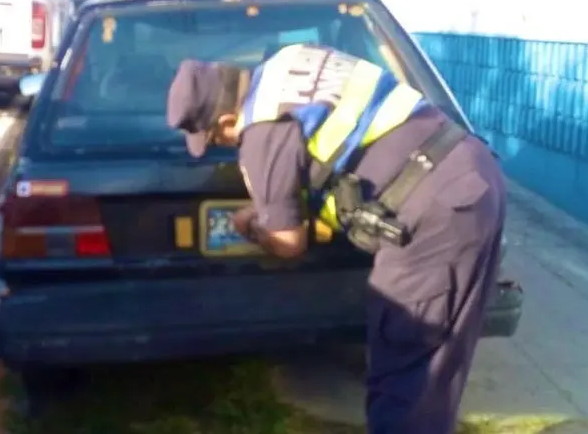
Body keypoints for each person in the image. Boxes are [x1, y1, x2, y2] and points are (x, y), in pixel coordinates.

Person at [166, 44, 506, 434]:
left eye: (215, 138)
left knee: (407, 371)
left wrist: (252, 224)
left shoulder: (262, 131)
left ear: (227, 118)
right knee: (435, 365)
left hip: (437, 213)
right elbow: (332, 134)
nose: (223, 147)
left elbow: (288, 243)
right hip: (468, 169)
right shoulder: (289, 60)